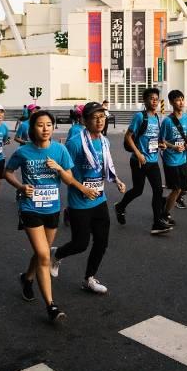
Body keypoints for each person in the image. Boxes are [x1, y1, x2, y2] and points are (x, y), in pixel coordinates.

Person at [4, 109, 79, 323]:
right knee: (45, 256)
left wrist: (58, 169)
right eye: (40, 125)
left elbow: (69, 179)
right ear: (32, 128)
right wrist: (20, 186)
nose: (45, 129)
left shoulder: (60, 150)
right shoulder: (23, 151)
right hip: (30, 208)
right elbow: (7, 172)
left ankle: (27, 278)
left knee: (42, 253)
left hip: (52, 209)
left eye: (49, 124)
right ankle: (51, 306)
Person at [51, 102, 125, 294]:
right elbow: (64, 172)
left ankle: (89, 278)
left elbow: (105, 166)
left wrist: (116, 180)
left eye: (102, 116)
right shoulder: (75, 143)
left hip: (99, 200)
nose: (100, 121)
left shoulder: (104, 141)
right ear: (84, 120)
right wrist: (81, 188)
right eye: (95, 117)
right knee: (80, 243)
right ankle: (57, 254)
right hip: (79, 202)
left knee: (101, 242)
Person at [114, 88, 171, 235]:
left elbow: (153, 139)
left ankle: (157, 222)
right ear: (145, 101)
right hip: (138, 161)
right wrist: (138, 154)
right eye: (151, 98)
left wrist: (161, 144)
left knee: (158, 190)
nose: (154, 101)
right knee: (138, 190)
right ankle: (120, 206)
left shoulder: (158, 118)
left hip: (152, 161)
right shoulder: (140, 116)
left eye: (156, 98)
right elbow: (128, 137)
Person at [159, 90, 187, 224]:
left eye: (182, 99)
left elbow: (186, 136)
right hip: (170, 159)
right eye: (178, 100)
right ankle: (165, 214)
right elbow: (161, 140)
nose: (181, 102)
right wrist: (174, 147)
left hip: (182, 158)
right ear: (171, 102)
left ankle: (164, 203)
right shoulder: (167, 121)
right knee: (176, 189)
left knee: (183, 188)